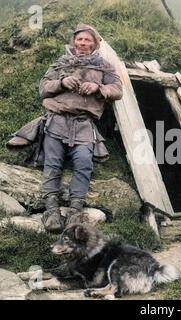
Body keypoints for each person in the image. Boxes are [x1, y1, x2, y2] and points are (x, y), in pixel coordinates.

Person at [39, 23, 123, 233]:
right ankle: (51, 210)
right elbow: (43, 88)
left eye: (87, 40)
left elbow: (118, 90)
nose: (82, 43)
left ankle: (75, 210)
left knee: (84, 163)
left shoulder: (104, 66)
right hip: (57, 120)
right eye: (79, 39)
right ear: (74, 41)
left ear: (95, 44)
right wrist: (62, 82)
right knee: (53, 163)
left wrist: (98, 87)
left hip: (84, 124)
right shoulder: (61, 63)